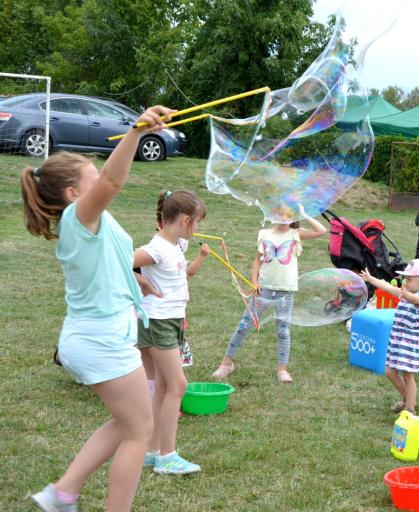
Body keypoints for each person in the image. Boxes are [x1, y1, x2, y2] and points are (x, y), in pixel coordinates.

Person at [21, 105, 174, 511]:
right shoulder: (78, 216)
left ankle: (63, 493)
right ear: (74, 193)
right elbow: (112, 178)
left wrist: (136, 281)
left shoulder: (92, 223)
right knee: (139, 431)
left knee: (128, 423)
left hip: (102, 334)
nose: (101, 181)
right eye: (91, 178)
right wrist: (136, 131)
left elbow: (112, 260)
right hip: (100, 338)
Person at [133, 190, 209, 475]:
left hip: (170, 319)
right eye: (197, 223)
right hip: (159, 322)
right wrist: (137, 279)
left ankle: (152, 452)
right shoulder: (156, 249)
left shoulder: (176, 243)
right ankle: (167, 456)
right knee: (178, 385)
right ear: (186, 220)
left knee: (164, 387)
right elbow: (118, 261)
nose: (198, 229)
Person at [211, 205, 327, 383]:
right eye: (280, 213)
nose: (283, 217)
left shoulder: (296, 234)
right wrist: (254, 281)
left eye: (288, 215)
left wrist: (304, 214)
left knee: (283, 331)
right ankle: (227, 363)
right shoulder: (264, 234)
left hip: (285, 291)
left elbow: (322, 230)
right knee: (244, 325)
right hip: (263, 288)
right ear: (274, 214)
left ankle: (282, 369)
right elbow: (257, 261)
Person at [359, 259, 419, 413]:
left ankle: (410, 408)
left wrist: (406, 294)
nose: (406, 282)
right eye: (406, 279)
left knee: (408, 376)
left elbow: (414, 299)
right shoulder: (405, 294)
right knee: (390, 372)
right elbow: (388, 287)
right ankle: (407, 398)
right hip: (397, 341)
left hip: (410, 344)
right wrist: (371, 279)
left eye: (409, 279)